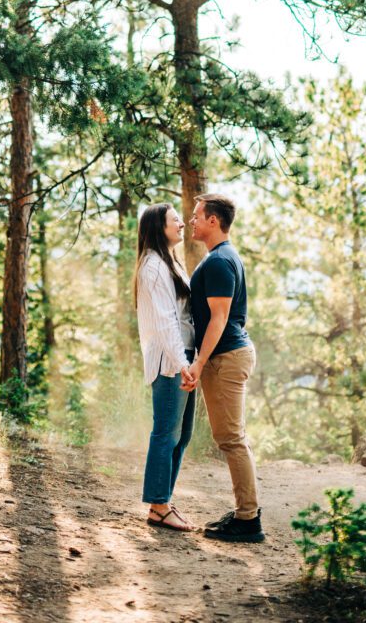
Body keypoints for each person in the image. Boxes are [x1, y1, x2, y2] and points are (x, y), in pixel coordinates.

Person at [182, 193, 264, 543]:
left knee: (231, 438)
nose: (192, 221)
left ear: (213, 221)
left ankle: (248, 520)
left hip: (226, 357)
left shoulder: (218, 262)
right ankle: (246, 513)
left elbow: (219, 318)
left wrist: (199, 363)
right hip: (229, 354)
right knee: (230, 437)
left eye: (197, 215)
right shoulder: (222, 257)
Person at [135, 203, 196, 531]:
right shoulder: (153, 267)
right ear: (160, 227)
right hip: (171, 359)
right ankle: (158, 505)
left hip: (182, 355)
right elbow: (165, 322)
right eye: (176, 220)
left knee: (182, 434)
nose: (182, 223)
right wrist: (183, 363)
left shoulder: (167, 262)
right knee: (166, 432)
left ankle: (163, 501)